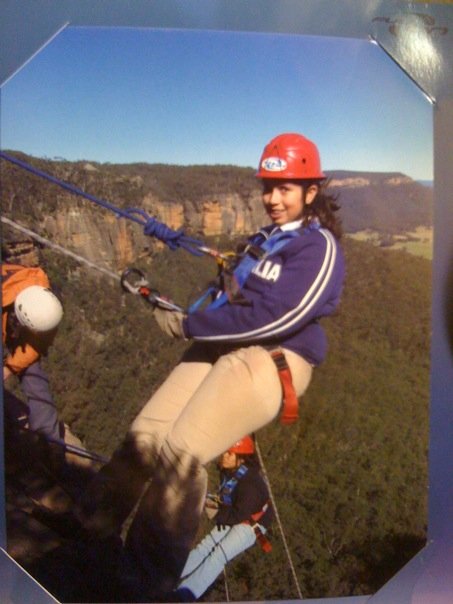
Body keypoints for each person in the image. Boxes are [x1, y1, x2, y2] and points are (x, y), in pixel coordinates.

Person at [78, 132, 345, 600]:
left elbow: (278, 317)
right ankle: (91, 527)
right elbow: (230, 296)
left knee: (181, 453)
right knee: (146, 435)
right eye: (268, 187)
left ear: (311, 191)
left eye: (285, 188)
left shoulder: (318, 247)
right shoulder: (265, 239)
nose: (272, 199)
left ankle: (144, 584)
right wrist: (187, 312)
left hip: (273, 356)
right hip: (225, 342)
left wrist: (188, 326)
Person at [174, 435, 274, 602]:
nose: (224, 456)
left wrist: (217, 513)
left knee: (218, 556)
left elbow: (238, 515)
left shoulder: (251, 484)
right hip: (235, 513)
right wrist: (214, 504)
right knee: (205, 547)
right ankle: (168, 577)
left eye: (230, 453)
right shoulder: (229, 471)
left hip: (252, 523)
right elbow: (228, 499)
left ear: (241, 458)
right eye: (225, 452)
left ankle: (182, 596)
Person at [2, 262, 64, 442]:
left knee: (33, 373)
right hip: (8, 312)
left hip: (14, 318)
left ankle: (49, 440)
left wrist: (9, 368)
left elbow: (34, 347)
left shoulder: (46, 304)